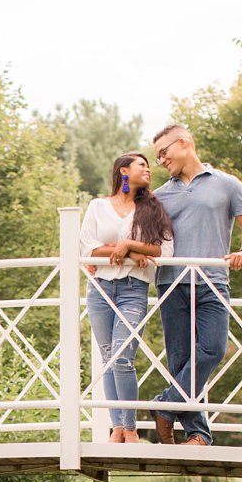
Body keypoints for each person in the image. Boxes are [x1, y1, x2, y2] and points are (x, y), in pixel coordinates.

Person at [148, 124, 242, 445]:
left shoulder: (227, 184)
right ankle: (198, 434)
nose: (161, 161)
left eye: (164, 153)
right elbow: (143, 233)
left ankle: (165, 406)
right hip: (171, 284)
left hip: (213, 281)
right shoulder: (160, 195)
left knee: (212, 349)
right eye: (157, 158)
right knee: (182, 361)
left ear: (183, 143)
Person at [79, 152, 173, 443]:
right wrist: (131, 252)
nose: (148, 170)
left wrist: (128, 244)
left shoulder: (153, 208)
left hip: (133, 289)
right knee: (109, 358)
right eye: (141, 165)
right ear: (123, 171)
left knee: (122, 357)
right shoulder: (97, 206)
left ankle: (130, 429)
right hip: (100, 289)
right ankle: (117, 427)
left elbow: (164, 251)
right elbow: (87, 249)